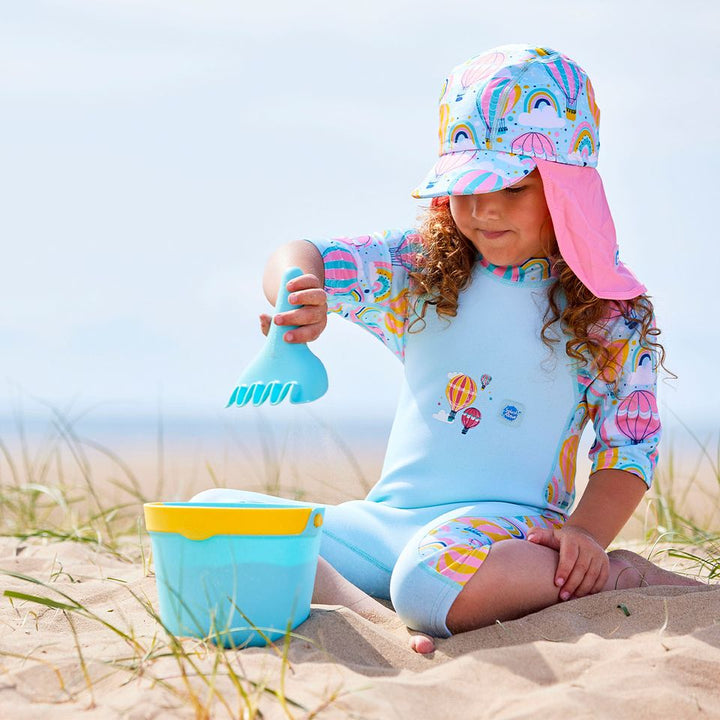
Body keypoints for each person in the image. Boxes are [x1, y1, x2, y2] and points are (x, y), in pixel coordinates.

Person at [194, 44, 705, 654]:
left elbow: (630, 450)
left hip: (506, 532)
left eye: (513, 187)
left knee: (427, 579)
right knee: (210, 515)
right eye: (467, 187)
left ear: (568, 192)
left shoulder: (607, 315)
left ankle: (614, 575)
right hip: (384, 525)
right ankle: (371, 614)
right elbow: (306, 250)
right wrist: (296, 291)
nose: (484, 208)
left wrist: (586, 539)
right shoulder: (422, 270)